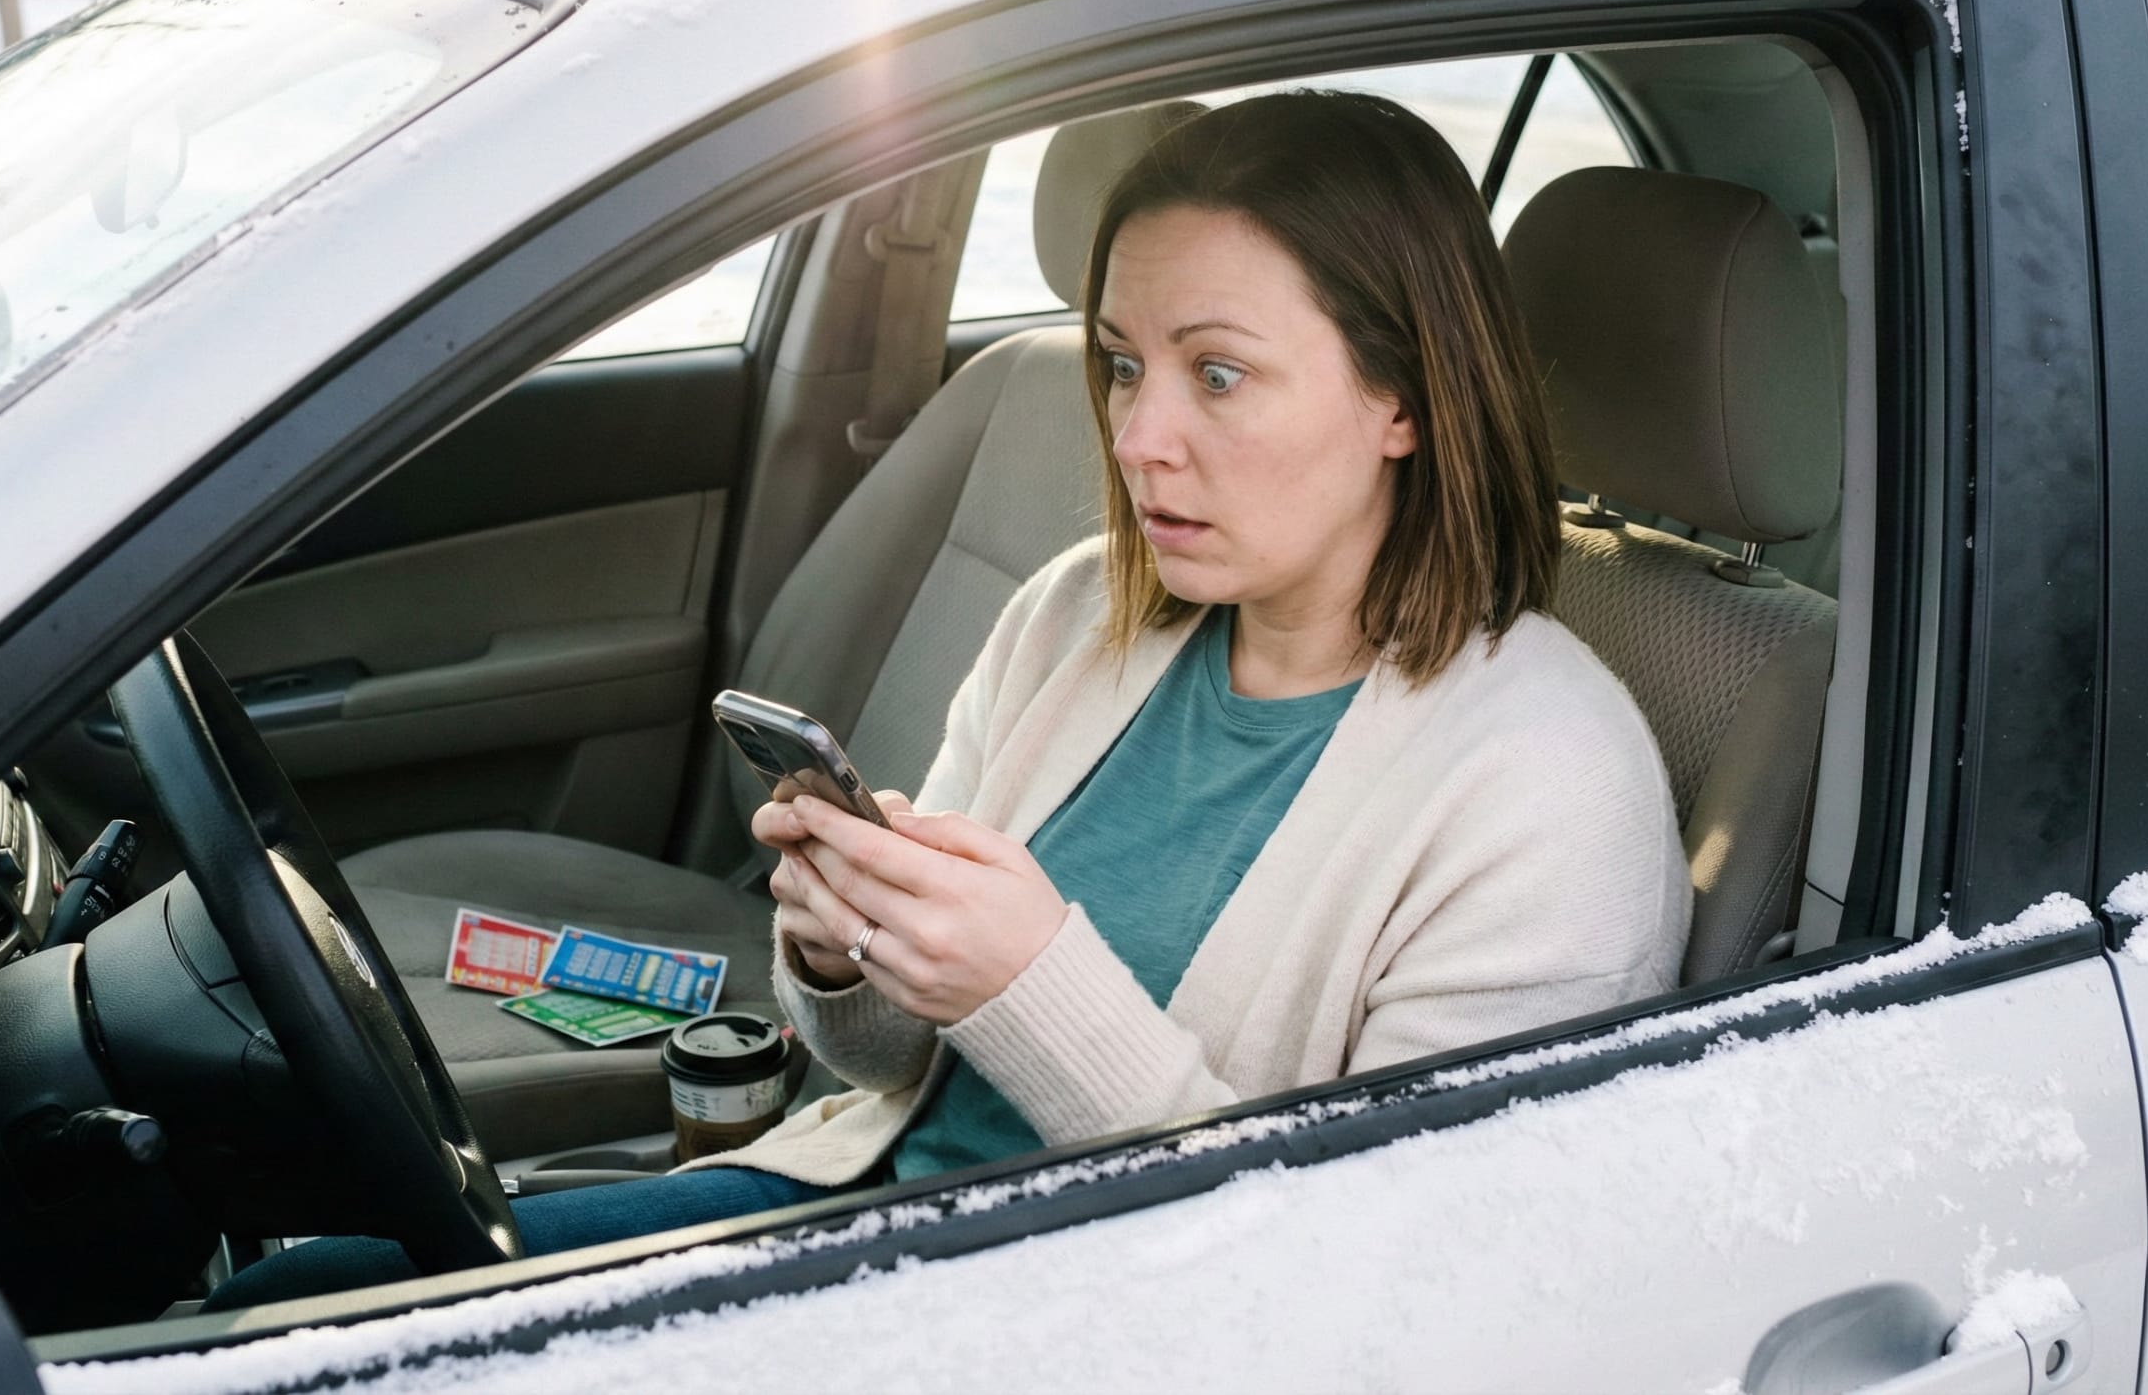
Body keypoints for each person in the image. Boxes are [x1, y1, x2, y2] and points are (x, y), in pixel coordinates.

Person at [205, 88, 1690, 1309]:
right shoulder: (1077, 624)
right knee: (297, 1290)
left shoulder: (1549, 787)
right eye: (1121, 363)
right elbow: (891, 1075)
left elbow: (1383, 1289)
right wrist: (845, 960)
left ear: (1404, 401)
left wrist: (1028, 977)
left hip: (1092, 1322)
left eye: (1219, 375)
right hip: (852, 1205)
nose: (1140, 437)